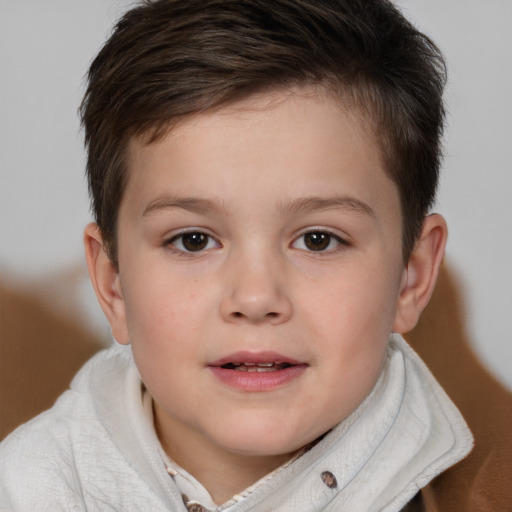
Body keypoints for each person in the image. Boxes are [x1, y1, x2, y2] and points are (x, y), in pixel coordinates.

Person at [0, 0, 474, 510]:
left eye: (318, 239)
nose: (254, 297)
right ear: (113, 283)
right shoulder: (25, 489)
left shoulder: (484, 488)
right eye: (193, 240)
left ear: (412, 276)